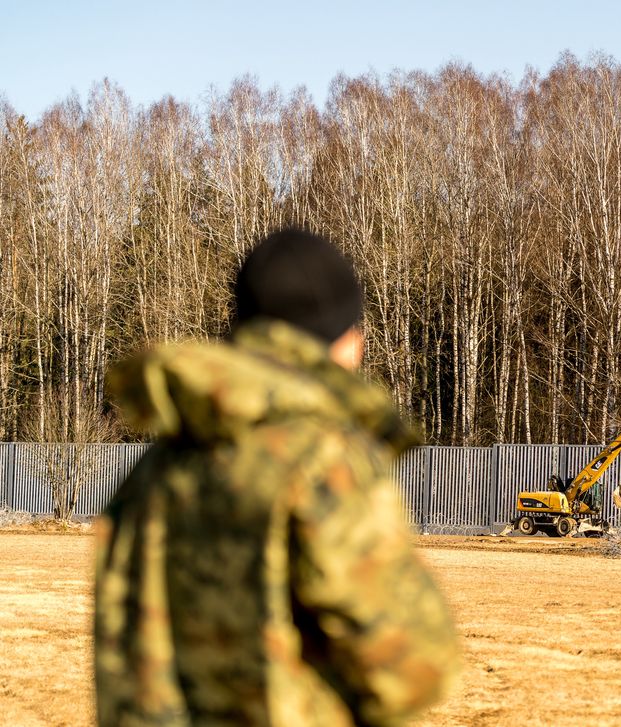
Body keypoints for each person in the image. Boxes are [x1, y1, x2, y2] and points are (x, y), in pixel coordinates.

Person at [95, 228, 459, 726]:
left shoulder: (158, 465)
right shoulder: (322, 459)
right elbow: (412, 670)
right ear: (343, 340)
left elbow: (122, 642)